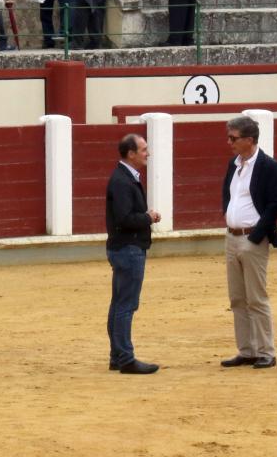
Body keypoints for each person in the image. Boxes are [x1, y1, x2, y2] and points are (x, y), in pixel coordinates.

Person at [220, 116, 277, 370]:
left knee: (256, 297)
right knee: (237, 298)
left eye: (233, 138)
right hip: (232, 237)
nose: (229, 142)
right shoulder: (233, 165)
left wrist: (256, 236)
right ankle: (246, 350)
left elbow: (275, 204)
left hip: (252, 239)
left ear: (249, 139)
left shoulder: (269, 166)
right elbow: (228, 195)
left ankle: (266, 351)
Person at [105, 134, 161, 374]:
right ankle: (125, 357)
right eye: (144, 149)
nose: (147, 153)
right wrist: (148, 217)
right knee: (126, 304)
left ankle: (118, 356)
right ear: (131, 153)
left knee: (119, 303)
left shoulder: (125, 178)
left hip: (124, 247)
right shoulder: (122, 181)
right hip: (129, 248)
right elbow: (125, 219)